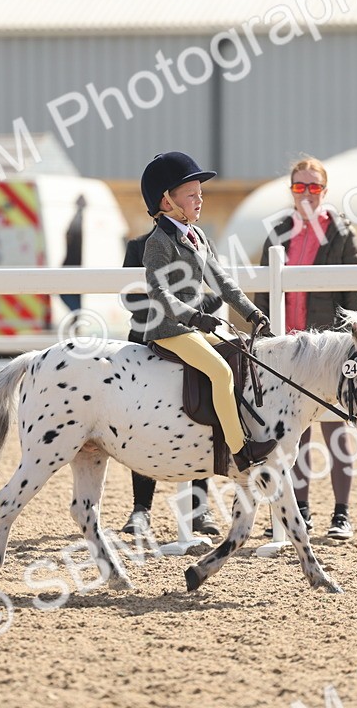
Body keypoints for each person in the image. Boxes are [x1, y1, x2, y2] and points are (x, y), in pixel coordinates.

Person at [139, 151, 275, 473]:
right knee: (221, 372)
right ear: (167, 202)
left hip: (194, 327)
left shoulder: (197, 236)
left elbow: (223, 282)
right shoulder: (158, 242)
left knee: (241, 355)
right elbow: (158, 293)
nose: (200, 200)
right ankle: (240, 451)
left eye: (201, 194)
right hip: (169, 329)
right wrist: (193, 317)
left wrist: (251, 312)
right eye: (191, 195)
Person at [255, 157, 357, 541]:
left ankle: (341, 513)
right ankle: (300, 510)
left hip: (327, 349)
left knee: (336, 430)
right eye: (299, 187)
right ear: (291, 189)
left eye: (313, 187)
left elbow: (356, 296)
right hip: (289, 348)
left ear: (324, 190)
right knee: (295, 433)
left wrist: (348, 346)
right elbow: (262, 289)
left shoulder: (341, 233)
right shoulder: (278, 231)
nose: (306, 194)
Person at [119, 226, 221, 538]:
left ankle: (198, 507)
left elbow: (217, 293)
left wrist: (188, 315)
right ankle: (141, 508)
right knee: (141, 421)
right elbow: (130, 297)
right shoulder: (138, 247)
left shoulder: (202, 242)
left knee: (202, 415)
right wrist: (167, 315)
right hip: (146, 342)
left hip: (192, 339)